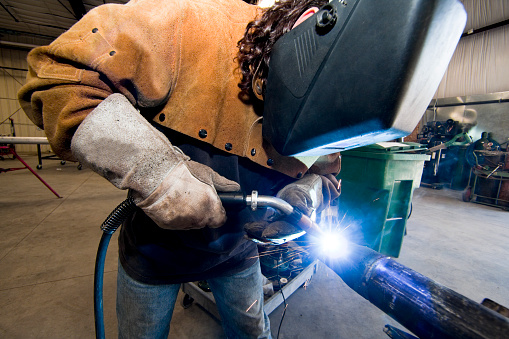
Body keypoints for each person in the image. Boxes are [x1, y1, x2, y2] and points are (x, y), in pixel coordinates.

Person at [18, 0, 340, 337]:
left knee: (253, 333)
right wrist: (157, 174)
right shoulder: (193, 25)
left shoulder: (347, 106)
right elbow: (57, 77)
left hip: (239, 251)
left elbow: (327, 169)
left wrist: (308, 189)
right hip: (155, 253)